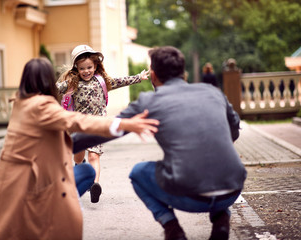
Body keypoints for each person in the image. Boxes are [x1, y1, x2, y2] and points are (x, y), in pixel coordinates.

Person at [72, 46, 247, 240]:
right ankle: (221, 220)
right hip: (233, 188)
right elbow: (234, 130)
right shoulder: (213, 93)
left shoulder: (150, 102)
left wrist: (63, 146)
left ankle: (173, 229)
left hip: (190, 196)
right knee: (213, 166)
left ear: (153, 75)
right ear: (183, 73)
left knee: (138, 173)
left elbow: (104, 131)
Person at [0, 58, 159, 240]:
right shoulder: (41, 106)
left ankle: (56, 207)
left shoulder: (20, 102)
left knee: (85, 171)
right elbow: (78, 121)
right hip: (29, 183)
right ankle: (54, 213)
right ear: (47, 80)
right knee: (81, 175)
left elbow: (73, 133)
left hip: (6, 181)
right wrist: (123, 124)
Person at [57, 44, 150, 203]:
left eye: (89, 67)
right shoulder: (72, 82)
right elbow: (54, 89)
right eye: (82, 68)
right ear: (76, 69)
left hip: (99, 126)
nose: (86, 71)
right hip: (79, 125)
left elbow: (120, 81)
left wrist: (138, 78)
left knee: (94, 156)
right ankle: (81, 169)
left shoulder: (102, 81)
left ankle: (94, 185)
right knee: (78, 157)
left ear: (95, 66)